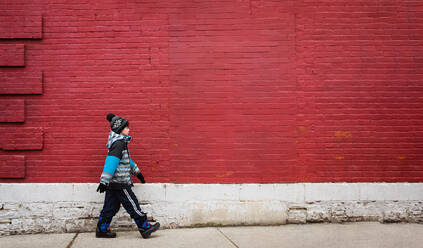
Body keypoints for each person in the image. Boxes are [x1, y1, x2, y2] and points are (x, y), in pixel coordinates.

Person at [96, 113, 160, 239]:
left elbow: (127, 161)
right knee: (132, 204)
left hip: (113, 183)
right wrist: (103, 181)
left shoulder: (119, 143)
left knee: (110, 207)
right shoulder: (119, 143)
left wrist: (137, 173)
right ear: (120, 129)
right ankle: (144, 226)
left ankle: (102, 228)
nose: (129, 129)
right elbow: (111, 163)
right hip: (120, 182)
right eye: (126, 127)